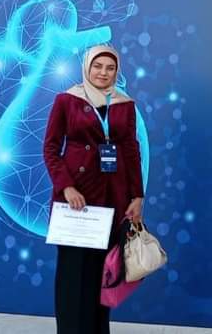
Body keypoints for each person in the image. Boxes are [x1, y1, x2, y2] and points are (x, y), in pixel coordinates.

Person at [43, 45, 144, 334]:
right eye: (97, 66)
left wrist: (137, 196)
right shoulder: (67, 100)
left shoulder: (125, 104)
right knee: (73, 275)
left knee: (103, 274)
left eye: (110, 68)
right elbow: (51, 148)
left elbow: (131, 151)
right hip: (76, 200)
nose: (103, 73)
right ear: (87, 67)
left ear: (117, 71)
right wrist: (66, 187)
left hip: (113, 199)